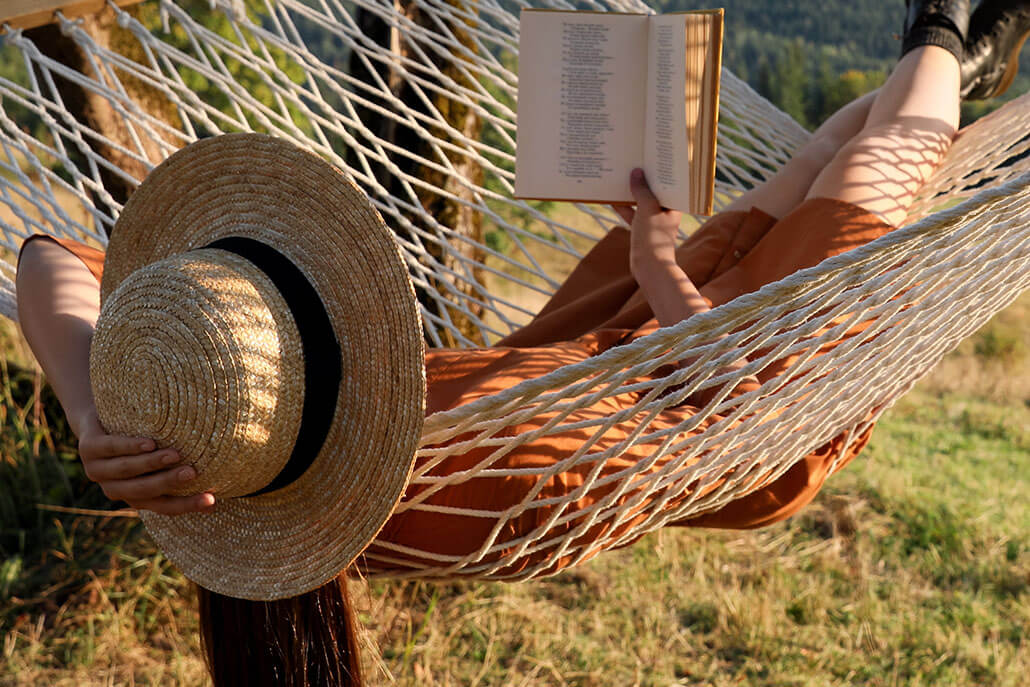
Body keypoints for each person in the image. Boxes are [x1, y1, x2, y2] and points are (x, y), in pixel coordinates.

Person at [13, 1, 1030, 684]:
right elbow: (719, 403)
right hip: (745, 387)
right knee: (881, 160)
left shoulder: (252, 440)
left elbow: (48, 251)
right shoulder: (474, 481)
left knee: (825, 152)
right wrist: (658, 273)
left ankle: (960, 54)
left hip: (614, 339)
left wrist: (100, 408)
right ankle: (940, 31)